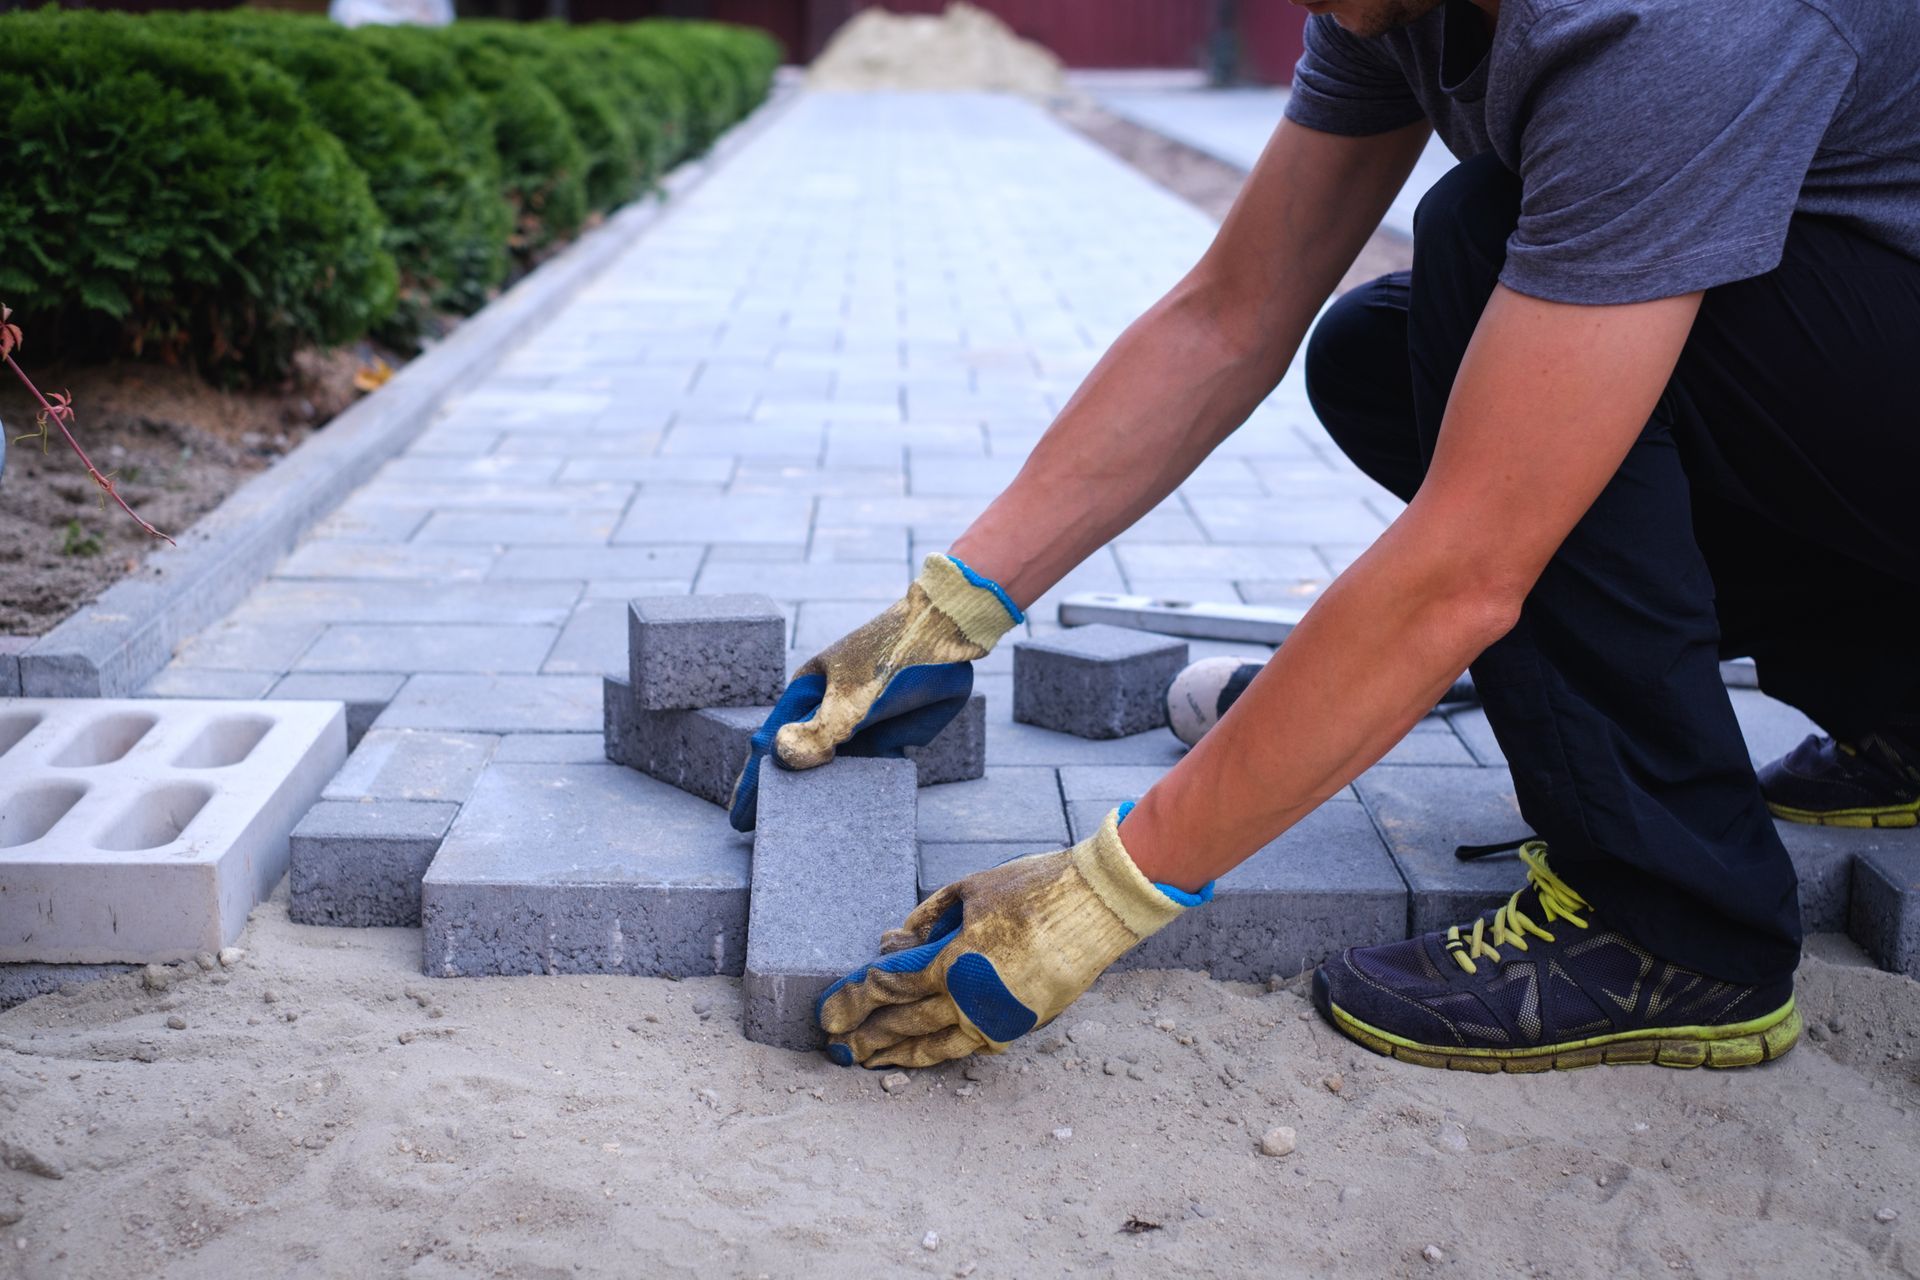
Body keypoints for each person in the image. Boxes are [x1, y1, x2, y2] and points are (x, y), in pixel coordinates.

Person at [729, 0, 1920, 1073]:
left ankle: (1680, 925)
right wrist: (944, 616)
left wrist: (1098, 896)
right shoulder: (1382, 12)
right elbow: (1231, 310)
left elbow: (1471, 562)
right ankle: (1898, 698)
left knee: (1480, 240)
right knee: (1380, 354)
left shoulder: (1663, 28)